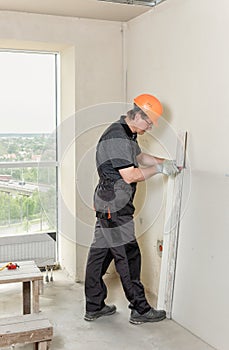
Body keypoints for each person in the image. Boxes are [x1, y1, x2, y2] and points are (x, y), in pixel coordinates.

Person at [84, 94, 179, 324]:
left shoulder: (126, 132)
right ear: (138, 116)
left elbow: (139, 157)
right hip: (115, 208)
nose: (150, 127)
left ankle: (94, 306)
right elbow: (131, 175)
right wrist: (160, 170)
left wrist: (162, 161)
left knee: (101, 254)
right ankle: (140, 309)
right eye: (149, 123)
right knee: (128, 256)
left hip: (109, 205)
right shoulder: (117, 136)